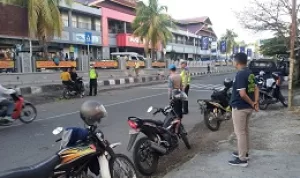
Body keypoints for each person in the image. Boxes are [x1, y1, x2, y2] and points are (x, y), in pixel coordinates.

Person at [229, 52, 259, 167]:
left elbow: (242, 94)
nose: (232, 62)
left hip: (240, 107)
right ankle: (244, 152)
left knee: (240, 133)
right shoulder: (249, 73)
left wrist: (252, 102)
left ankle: (242, 159)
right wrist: (255, 103)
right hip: (247, 108)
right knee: (245, 131)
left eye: (233, 60)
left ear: (237, 62)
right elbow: (256, 88)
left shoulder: (240, 74)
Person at [168, 64, 183, 133]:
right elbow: (181, 86)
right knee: (179, 109)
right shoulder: (179, 76)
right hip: (180, 93)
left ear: (171, 70)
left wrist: (170, 97)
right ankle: (179, 122)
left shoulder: (171, 77)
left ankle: (176, 129)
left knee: (175, 111)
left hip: (174, 94)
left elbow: (170, 89)